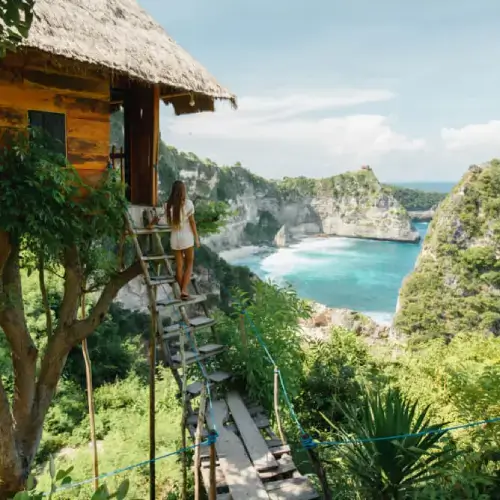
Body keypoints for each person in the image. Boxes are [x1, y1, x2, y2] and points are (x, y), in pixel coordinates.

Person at [166, 180, 200, 300]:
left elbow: (165, 222)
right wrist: (196, 238)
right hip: (186, 238)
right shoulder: (188, 204)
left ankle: (182, 292)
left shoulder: (168, 206)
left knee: (179, 266)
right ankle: (184, 290)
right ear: (183, 191)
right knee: (189, 263)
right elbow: (192, 222)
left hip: (175, 239)